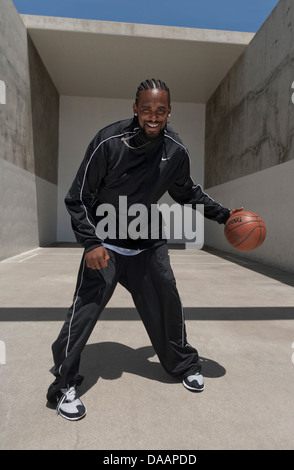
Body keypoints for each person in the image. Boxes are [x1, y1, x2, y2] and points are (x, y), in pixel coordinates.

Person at [47, 79, 242, 420]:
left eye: (161, 110)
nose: (154, 116)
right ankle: (63, 385)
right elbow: (78, 197)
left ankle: (183, 363)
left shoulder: (175, 151)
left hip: (148, 242)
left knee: (168, 303)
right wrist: (90, 241)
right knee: (85, 311)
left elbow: (188, 192)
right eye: (147, 109)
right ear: (135, 109)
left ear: (169, 112)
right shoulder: (108, 142)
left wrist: (226, 217)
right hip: (106, 242)